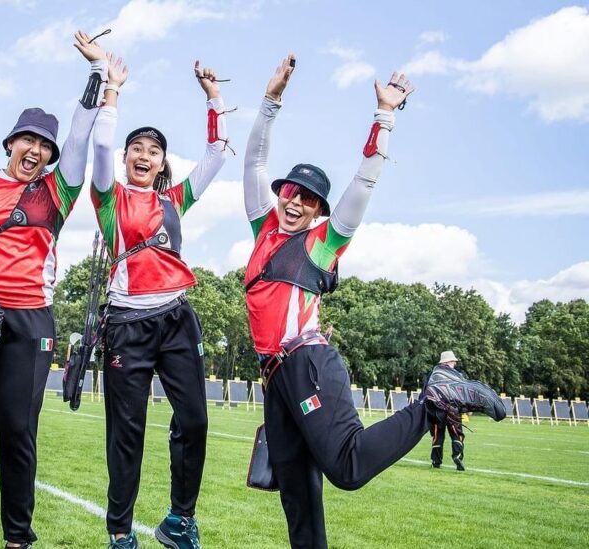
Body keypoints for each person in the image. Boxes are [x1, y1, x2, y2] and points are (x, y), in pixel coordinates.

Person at [242, 55, 506, 549]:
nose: (295, 203)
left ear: (320, 210)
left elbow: (363, 183)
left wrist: (384, 116)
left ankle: (437, 398)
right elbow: (255, 162)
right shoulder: (264, 231)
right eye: (290, 193)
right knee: (296, 500)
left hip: (307, 362)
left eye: (309, 199)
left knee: (347, 464)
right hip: (275, 378)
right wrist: (270, 100)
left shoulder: (322, 243)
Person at [0, 30, 113, 549]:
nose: (35, 150)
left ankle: (18, 539)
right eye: (27, 139)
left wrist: (96, 73)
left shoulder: (56, 189)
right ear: (10, 142)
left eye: (44, 146)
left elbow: (80, 136)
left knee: (17, 434)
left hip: (30, 319)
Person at [86, 36, 230, 549]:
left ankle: (179, 520)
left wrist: (212, 98)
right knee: (127, 435)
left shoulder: (175, 198)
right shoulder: (108, 197)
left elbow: (216, 155)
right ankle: (121, 533)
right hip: (127, 324)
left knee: (194, 420)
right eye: (137, 149)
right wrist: (111, 90)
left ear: (163, 162)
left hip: (176, 317)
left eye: (154, 150)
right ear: (126, 160)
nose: (144, 155)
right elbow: (101, 146)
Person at [428, 350, 467, 470]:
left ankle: (436, 461)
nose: (455, 364)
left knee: (437, 435)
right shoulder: (457, 375)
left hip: (436, 409)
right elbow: (463, 392)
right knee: (457, 434)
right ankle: (457, 456)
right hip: (452, 409)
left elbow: (428, 391)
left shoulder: (433, 374)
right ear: (449, 362)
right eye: (453, 361)